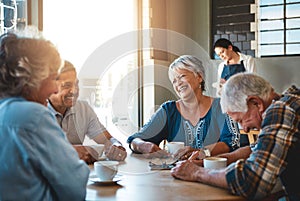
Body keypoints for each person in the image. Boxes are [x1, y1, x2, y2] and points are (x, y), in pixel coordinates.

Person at [171, 73, 300, 201]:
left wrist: (196, 173)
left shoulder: (282, 110)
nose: (245, 129)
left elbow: (253, 181)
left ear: (256, 103)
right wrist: (205, 163)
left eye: (241, 120)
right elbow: (253, 149)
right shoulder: (289, 102)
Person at [0, 31, 89, 200]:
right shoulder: (34, 116)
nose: (55, 89)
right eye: (53, 78)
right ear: (33, 78)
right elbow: (75, 188)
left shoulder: (5, 111)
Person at [127, 55, 241, 160]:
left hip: (213, 175)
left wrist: (201, 152)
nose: (178, 84)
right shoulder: (168, 110)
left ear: (199, 77)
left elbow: (232, 142)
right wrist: (143, 146)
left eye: (182, 76)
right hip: (175, 176)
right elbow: (135, 139)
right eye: (174, 81)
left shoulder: (221, 106)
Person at [48, 60, 127, 164]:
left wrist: (115, 145)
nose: (74, 91)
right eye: (67, 86)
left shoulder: (83, 108)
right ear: (50, 86)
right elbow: (32, 151)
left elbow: (106, 139)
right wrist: (71, 151)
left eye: (76, 85)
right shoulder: (36, 111)